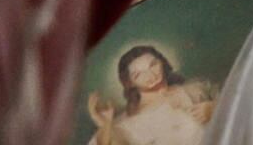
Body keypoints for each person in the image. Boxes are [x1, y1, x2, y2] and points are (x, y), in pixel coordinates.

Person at [85, 43, 215, 145]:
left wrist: (214, 108)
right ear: (129, 83)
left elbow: (232, 106)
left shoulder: (195, 90)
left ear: (162, 62)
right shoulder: (126, 123)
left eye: (153, 65)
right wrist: (105, 124)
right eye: (138, 74)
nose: (150, 75)